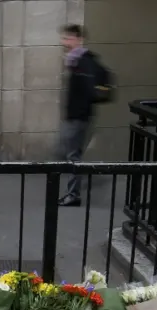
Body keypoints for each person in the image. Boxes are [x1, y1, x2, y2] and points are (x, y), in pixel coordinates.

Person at [58, 24, 97, 207]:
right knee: (70, 153)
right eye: (64, 38)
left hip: (78, 117)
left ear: (79, 39)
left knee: (73, 156)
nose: (64, 42)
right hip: (76, 116)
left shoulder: (83, 62)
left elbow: (87, 91)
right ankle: (72, 192)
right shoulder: (75, 60)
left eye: (68, 38)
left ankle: (73, 195)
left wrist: (77, 114)